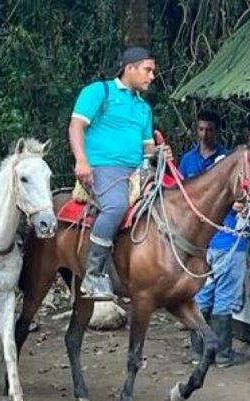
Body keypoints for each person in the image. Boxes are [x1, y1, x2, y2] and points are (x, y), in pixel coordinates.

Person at [69, 46, 168, 300]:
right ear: (130, 68)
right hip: (103, 167)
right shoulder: (99, 92)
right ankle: (93, 275)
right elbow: (76, 126)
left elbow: (147, 147)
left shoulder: (143, 108)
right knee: (115, 206)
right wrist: (81, 161)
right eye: (148, 70)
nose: (152, 76)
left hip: (138, 169)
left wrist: (159, 153)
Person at [178, 112, 250, 368]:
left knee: (209, 294)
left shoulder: (228, 160)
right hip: (212, 241)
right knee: (215, 295)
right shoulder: (189, 160)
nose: (205, 134)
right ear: (195, 130)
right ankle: (219, 354)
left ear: (217, 131)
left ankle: (202, 352)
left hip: (216, 239)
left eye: (209, 129)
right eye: (201, 129)